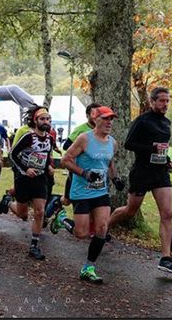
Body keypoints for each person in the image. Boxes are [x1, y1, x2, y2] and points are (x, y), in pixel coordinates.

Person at [108, 87, 172, 274]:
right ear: (152, 102)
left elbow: (162, 149)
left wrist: (167, 160)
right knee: (130, 211)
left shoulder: (166, 123)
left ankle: (166, 258)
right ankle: (103, 229)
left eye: (167, 101)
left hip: (160, 174)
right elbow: (129, 144)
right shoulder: (142, 121)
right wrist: (152, 148)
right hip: (142, 173)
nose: (165, 104)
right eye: (162, 101)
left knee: (167, 214)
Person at [53, 106, 125, 283]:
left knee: (102, 228)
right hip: (81, 192)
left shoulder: (112, 143)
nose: (109, 123)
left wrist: (115, 179)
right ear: (96, 119)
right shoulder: (84, 139)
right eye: (106, 119)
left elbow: (108, 164)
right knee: (81, 233)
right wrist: (84, 173)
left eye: (111, 119)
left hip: (101, 192)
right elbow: (65, 160)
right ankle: (61, 220)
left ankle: (88, 267)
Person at [0, 106, 54, 260]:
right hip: (24, 178)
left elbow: (47, 156)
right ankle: (8, 201)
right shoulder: (28, 137)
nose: (46, 122)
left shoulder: (50, 139)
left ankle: (34, 245)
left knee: (39, 211)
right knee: (22, 214)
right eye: (42, 119)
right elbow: (13, 154)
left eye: (48, 119)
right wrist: (25, 169)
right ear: (35, 121)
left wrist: (48, 165)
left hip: (40, 178)